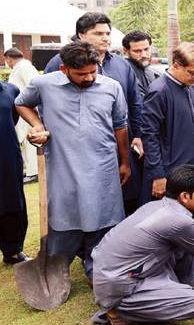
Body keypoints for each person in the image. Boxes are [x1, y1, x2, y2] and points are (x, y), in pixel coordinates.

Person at [15, 41, 130, 282]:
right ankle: (57, 269)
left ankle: (96, 269)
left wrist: (124, 161)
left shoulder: (112, 87)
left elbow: (120, 126)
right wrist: (38, 125)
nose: (89, 77)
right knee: (62, 213)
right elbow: (21, 102)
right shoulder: (44, 84)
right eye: (81, 74)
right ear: (65, 69)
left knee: (103, 214)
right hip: (61, 163)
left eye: (93, 71)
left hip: (103, 164)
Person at [90, 164, 194, 324]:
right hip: (120, 284)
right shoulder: (179, 220)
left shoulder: (157, 206)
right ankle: (118, 311)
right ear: (185, 196)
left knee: (189, 249)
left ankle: (167, 293)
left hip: (113, 273)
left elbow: (193, 238)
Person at [45, 12, 144, 217]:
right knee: (84, 203)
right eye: (98, 33)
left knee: (126, 198)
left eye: (107, 33)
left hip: (120, 144)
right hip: (79, 149)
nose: (105, 38)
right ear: (81, 35)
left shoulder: (121, 65)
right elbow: (45, 103)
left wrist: (138, 135)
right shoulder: (59, 63)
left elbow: (135, 103)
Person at [141, 42, 194, 225]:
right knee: (172, 225)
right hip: (172, 171)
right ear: (176, 64)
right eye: (192, 72)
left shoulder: (191, 86)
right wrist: (157, 175)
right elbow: (150, 136)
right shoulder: (159, 91)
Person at [0, 80, 29, 264]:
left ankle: (12, 250)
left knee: (11, 200)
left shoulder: (10, 90)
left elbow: (13, 118)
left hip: (6, 154)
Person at [4, 48, 39, 184]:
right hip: (20, 109)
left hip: (27, 108)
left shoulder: (25, 67)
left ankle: (33, 171)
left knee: (29, 140)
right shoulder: (19, 68)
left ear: (8, 58)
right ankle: (28, 169)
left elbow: (34, 86)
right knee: (23, 141)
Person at [122, 30, 160, 99]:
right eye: (137, 51)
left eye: (146, 49)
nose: (144, 55)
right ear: (125, 51)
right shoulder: (124, 73)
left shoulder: (151, 72)